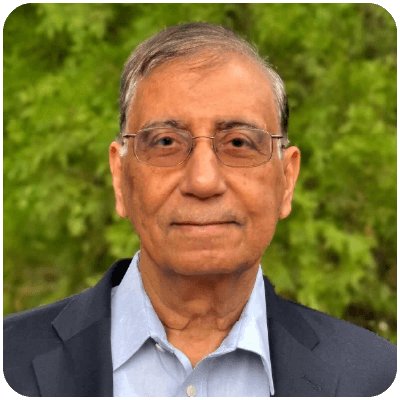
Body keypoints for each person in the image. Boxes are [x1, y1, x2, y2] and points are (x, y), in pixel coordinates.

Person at [3, 22, 396, 397]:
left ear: (287, 180)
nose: (203, 181)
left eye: (239, 143)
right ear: (120, 176)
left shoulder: (376, 377)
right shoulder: (10, 360)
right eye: (166, 142)